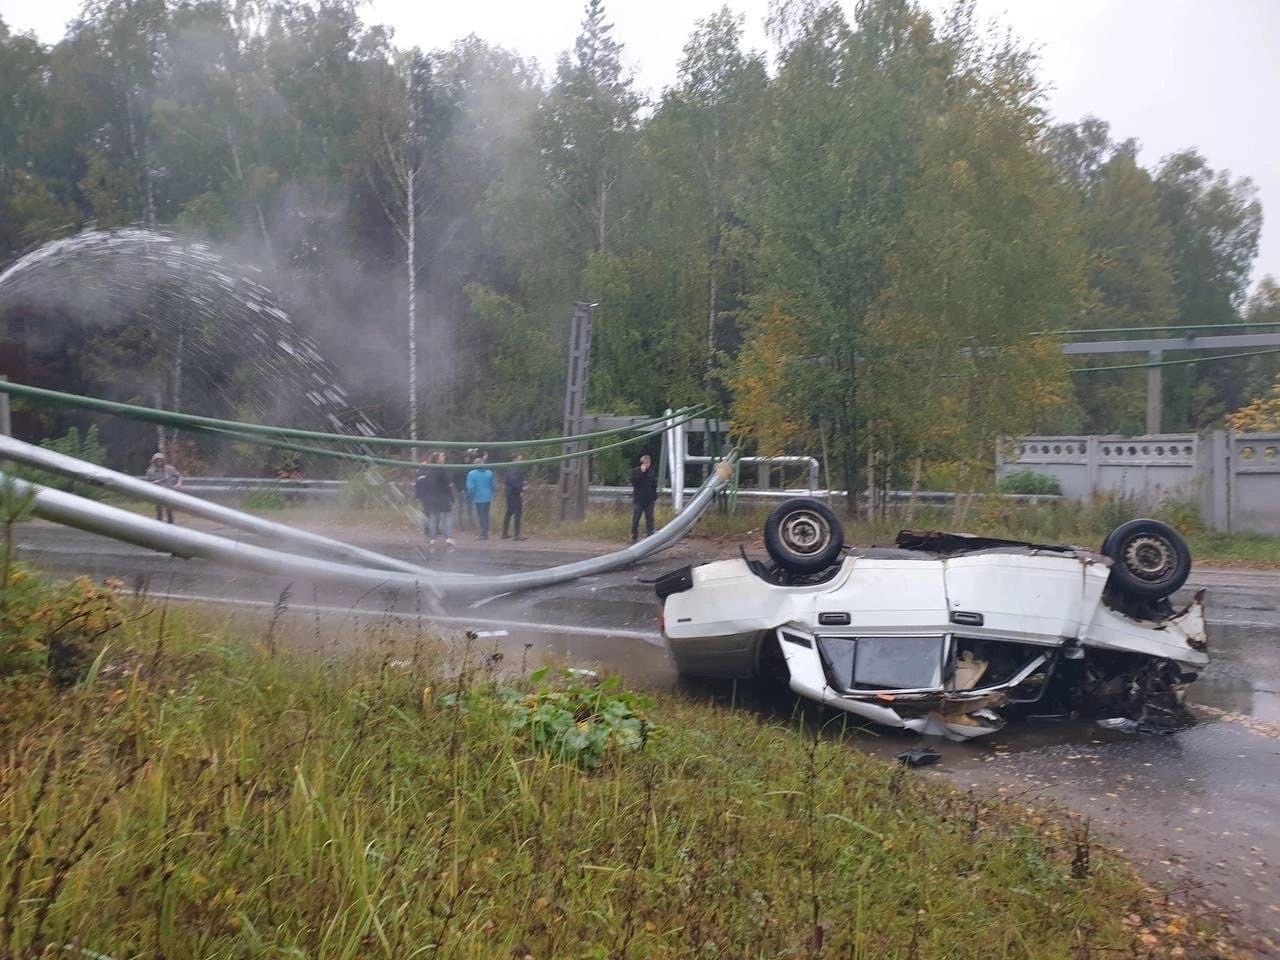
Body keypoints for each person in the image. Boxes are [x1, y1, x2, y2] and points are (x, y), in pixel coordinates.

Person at [414, 452, 455, 550]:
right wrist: (451, 496)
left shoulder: (429, 470)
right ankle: (448, 537)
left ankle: (432, 538)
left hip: (432, 497)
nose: (444, 457)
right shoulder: (441, 470)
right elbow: (448, 483)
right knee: (447, 516)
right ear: (437, 459)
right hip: (442, 496)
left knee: (433, 517)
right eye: (442, 456)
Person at [465, 451, 496, 540]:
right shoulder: (489, 473)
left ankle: (483, 533)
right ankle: (486, 531)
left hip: (478, 497)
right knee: (486, 514)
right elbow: (493, 485)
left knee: (481, 515)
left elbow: (471, 487)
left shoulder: (472, 473)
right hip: (488, 497)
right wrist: (492, 493)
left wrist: (470, 496)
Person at [145, 451, 182, 523]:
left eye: (160, 460)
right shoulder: (150, 472)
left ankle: (171, 524)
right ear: (154, 462)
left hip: (168, 491)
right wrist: (155, 482)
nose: (159, 462)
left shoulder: (170, 469)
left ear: (163, 460)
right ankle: (159, 525)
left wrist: (178, 483)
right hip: (157, 492)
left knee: (169, 510)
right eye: (157, 461)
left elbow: (179, 476)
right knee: (159, 510)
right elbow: (148, 484)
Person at [630, 452, 658, 542]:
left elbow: (654, 485)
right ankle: (634, 537)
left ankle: (650, 537)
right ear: (642, 463)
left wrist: (654, 497)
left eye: (648, 463)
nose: (647, 465)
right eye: (645, 463)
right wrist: (641, 473)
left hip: (649, 500)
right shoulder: (636, 471)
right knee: (636, 519)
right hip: (638, 500)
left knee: (650, 519)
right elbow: (634, 482)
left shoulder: (652, 472)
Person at [501, 453, 527, 540]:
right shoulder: (514, 469)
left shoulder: (510, 468)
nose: (521, 461)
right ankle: (517, 535)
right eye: (520, 459)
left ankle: (504, 533)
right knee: (517, 513)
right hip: (514, 494)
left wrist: (521, 483)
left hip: (510, 493)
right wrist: (521, 489)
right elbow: (514, 482)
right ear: (514, 459)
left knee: (509, 512)